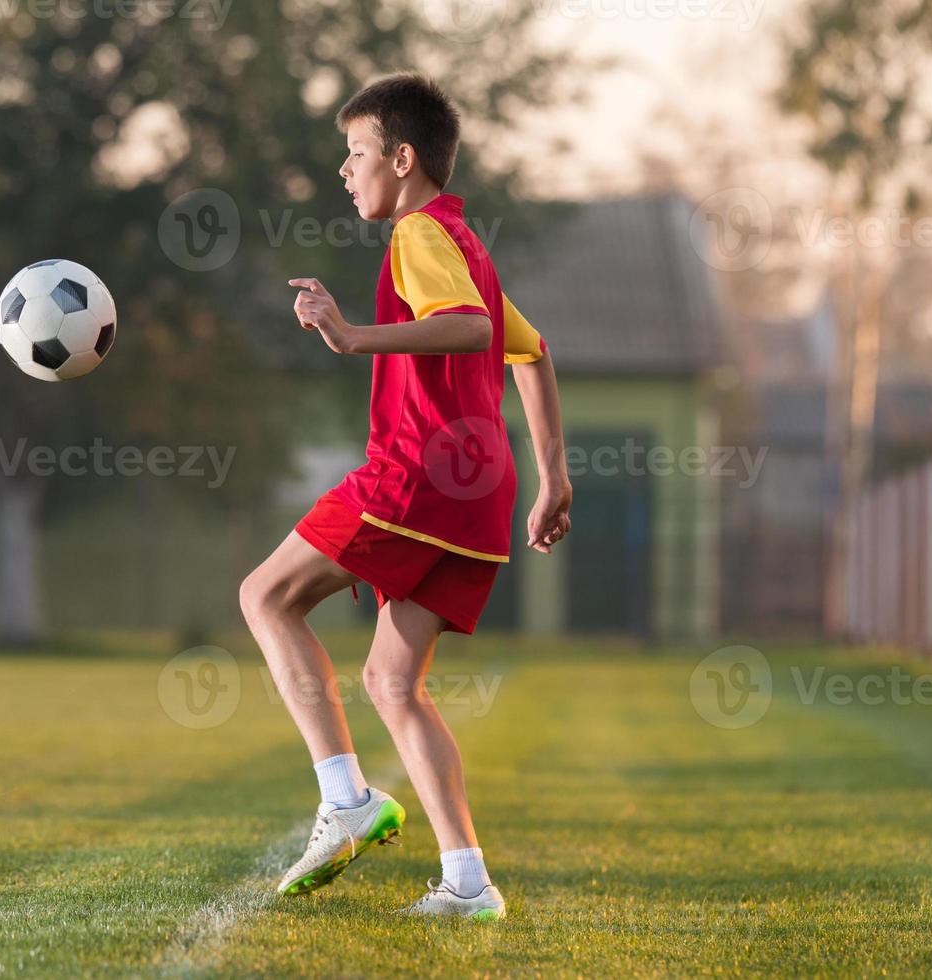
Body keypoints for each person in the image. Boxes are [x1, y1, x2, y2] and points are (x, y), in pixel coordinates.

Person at [238, 72, 573, 920]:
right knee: (392, 684)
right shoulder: (465, 241)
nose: (344, 172)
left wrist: (350, 336)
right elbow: (526, 350)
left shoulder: (420, 236)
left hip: (418, 475)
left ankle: (345, 799)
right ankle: (468, 883)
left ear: (402, 157)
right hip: (481, 496)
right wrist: (554, 478)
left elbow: (465, 326)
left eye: (355, 154)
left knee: (264, 597)